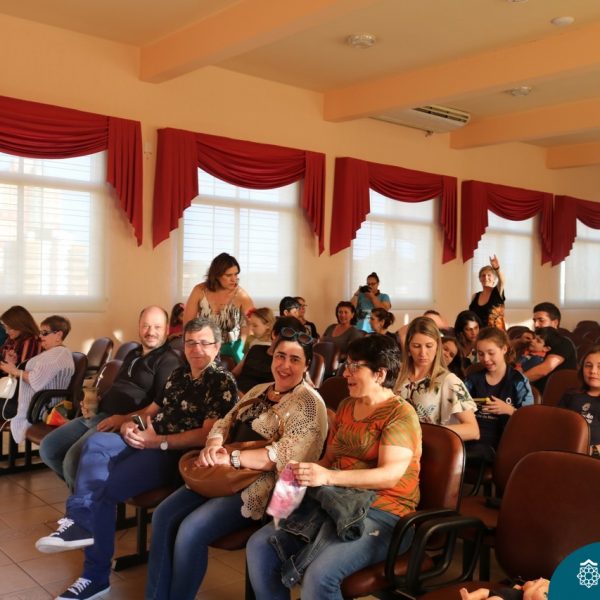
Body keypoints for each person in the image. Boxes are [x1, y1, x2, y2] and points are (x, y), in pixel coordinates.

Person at [35, 318, 238, 600]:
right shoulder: (179, 373)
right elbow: (152, 411)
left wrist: (158, 441)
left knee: (105, 489)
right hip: (151, 437)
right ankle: (80, 520)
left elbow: (207, 435)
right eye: (191, 342)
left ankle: (94, 576)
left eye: (204, 343)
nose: (196, 349)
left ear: (217, 347)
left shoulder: (221, 381)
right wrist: (132, 423)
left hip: (174, 454)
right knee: (96, 443)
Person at [144, 326, 328, 600]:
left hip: (260, 484)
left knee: (191, 530)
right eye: (280, 356)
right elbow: (224, 422)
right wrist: (214, 444)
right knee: (163, 515)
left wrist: (231, 457)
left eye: (295, 359)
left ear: (307, 365)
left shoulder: (309, 404)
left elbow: (280, 456)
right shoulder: (259, 389)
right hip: (222, 472)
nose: (285, 365)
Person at [247, 334, 421, 600]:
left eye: (355, 367)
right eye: (346, 365)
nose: (346, 373)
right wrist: (300, 475)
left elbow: (389, 476)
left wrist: (328, 477)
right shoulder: (347, 406)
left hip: (384, 513)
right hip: (336, 503)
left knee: (320, 576)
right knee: (259, 546)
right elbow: (328, 462)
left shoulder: (400, 414)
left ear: (380, 374)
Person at [39, 306, 182, 490]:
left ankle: (89, 502)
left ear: (167, 329)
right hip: (99, 415)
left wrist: (123, 419)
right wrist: (97, 401)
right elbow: (119, 387)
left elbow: (160, 408)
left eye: (157, 327)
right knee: (49, 449)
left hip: (123, 423)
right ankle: (90, 495)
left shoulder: (169, 360)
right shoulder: (133, 353)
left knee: (73, 461)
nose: (150, 332)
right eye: (146, 326)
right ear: (139, 327)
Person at [395, 316, 479, 441]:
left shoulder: (449, 381)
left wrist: (429, 432)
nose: (423, 353)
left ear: (437, 346)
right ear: (408, 347)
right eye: (416, 346)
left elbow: (473, 430)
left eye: (429, 346)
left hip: (428, 447)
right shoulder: (396, 375)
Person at [0, 315, 74, 444]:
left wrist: (15, 371)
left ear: (58, 335)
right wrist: (13, 364)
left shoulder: (58, 354)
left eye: (45, 333)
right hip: (29, 403)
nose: (40, 336)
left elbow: (36, 381)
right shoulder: (51, 353)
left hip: (39, 408)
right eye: (40, 333)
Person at [465, 327, 534, 463]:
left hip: (501, 443)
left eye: (491, 353)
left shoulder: (518, 381)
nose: (486, 359)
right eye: (481, 354)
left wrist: (509, 410)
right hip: (471, 436)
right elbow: (457, 406)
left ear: (504, 349)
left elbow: (530, 419)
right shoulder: (473, 380)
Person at [183, 252, 254, 363]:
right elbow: (188, 325)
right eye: (228, 275)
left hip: (231, 349)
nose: (234, 279)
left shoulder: (242, 296)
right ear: (216, 275)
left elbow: (254, 325)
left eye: (236, 274)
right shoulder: (199, 290)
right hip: (204, 345)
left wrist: (242, 346)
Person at [232, 316, 304, 395]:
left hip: (258, 399)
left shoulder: (286, 364)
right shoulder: (255, 349)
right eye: (287, 338)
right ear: (274, 334)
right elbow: (234, 373)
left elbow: (281, 393)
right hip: (234, 393)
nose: (290, 344)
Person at [559, 345, 600, 458]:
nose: (593, 371)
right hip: (564, 451)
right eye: (588, 366)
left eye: (599, 367)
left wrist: (593, 450)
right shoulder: (571, 395)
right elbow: (556, 425)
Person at [527, 302, 577, 393]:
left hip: (556, 394)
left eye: (541, 320)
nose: (536, 325)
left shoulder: (563, 343)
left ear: (555, 323)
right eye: (534, 321)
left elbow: (543, 370)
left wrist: (513, 382)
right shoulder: (533, 341)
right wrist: (519, 342)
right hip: (533, 390)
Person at [469, 255, 505, 329]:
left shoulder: (498, 291)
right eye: (483, 275)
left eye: (489, 275)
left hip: (496, 333)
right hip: (479, 334)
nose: (486, 277)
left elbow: (502, 281)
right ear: (480, 279)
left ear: (494, 279)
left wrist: (497, 268)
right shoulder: (475, 296)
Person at [460, 578, 550, 600]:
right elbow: (510, 582)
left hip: (503, 598)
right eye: (534, 580)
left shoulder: (526, 595)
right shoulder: (519, 587)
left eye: (534, 582)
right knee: (482, 591)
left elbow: (527, 595)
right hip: (496, 592)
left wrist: (538, 583)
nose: (534, 582)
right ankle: (469, 597)